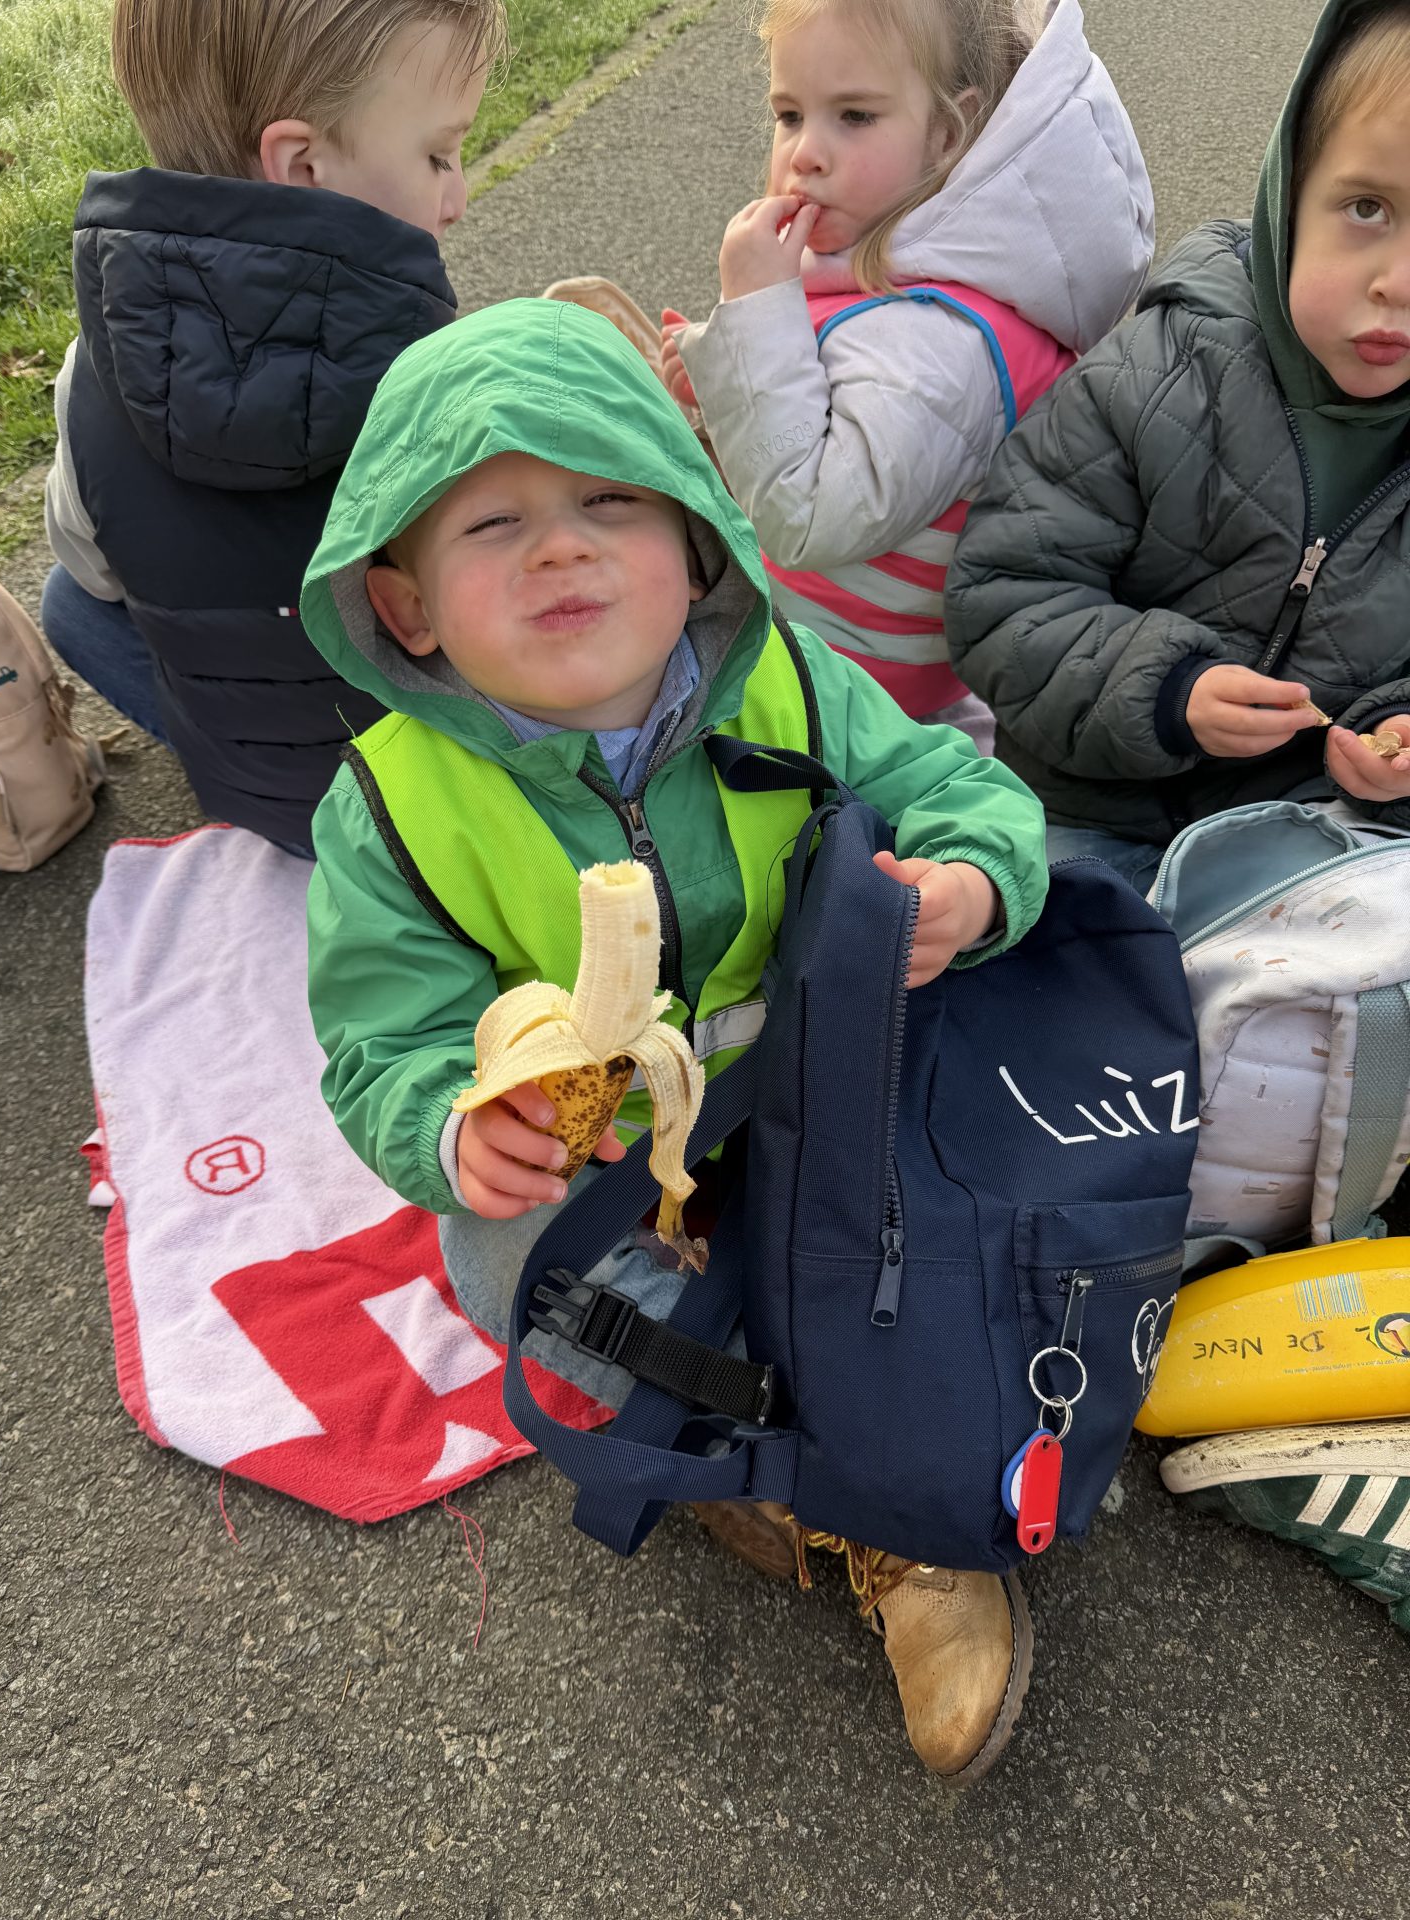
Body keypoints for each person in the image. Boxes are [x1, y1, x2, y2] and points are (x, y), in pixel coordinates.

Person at [300, 297, 1050, 1781]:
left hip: (836, 1079)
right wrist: (458, 1122)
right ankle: (770, 1447)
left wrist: (972, 881)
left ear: (699, 540)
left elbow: (961, 788)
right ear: (406, 606)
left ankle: (883, 1497)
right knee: (496, 1262)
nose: (560, 550)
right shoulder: (391, 807)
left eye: (609, 502)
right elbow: (380, 1033)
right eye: (493, 525)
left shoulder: (795, 682)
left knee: (948, 1209)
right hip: (626, 1156)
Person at [945, 0, 1410, 893]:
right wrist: (1169, 692)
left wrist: (1396, 734)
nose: (1397, 282)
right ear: (1288, 198)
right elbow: (1001, 595)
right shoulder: (1158, 372)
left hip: (1306, 836)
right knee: (1018, 945)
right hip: (1087, 813)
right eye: (1366, 208)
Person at [41, 0, 505, 854]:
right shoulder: (448, 373)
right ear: (301, 166)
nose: (459, 197)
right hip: (450, 824)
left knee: (67, 602)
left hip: (268, 802)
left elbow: (90, 564)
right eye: (439, 156)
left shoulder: (89, 372)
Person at [656, 0, 1153, 752]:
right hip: (810, 656)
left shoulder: (943, 345)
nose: (805, 153)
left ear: (947, 136)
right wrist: (730, 373)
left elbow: (808, 517)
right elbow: (832, 395)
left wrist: (755, 314)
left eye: (854, 116)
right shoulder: (896, 274)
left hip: (850, 708)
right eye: (790, 115)